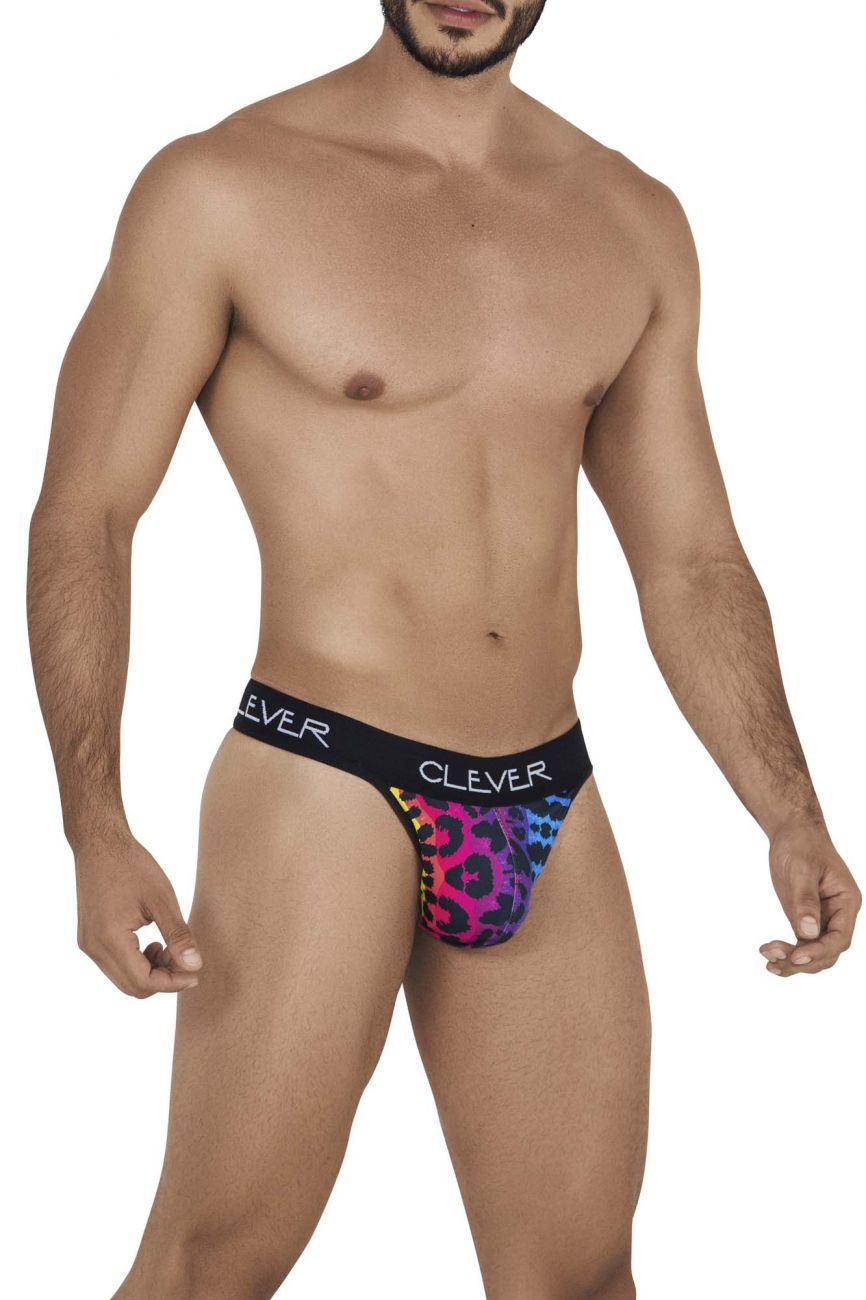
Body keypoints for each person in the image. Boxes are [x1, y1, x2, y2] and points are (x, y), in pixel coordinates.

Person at [26, 3, 861, 1297]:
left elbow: (689, 557)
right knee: (214, 1265)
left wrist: (790, 808)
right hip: (325, 772)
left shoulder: (628, 217)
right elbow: (87, 513)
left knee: (581, 1280)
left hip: (544, 792)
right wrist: (94, 823)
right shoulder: (222, 190)